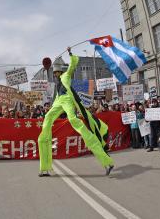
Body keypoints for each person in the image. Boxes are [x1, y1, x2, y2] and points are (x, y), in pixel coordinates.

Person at [38, 47, 114, 177]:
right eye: (54, 72)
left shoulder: (66, 75)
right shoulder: (56, 81)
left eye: (56, 72)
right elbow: (50, 73)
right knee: (47, 120)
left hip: (67, 99)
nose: (55, 74)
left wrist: (70, 53)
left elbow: (73, 64)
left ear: (60, 71)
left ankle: (106, 161)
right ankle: (44, 167)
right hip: (58, 101)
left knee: (73, 120)